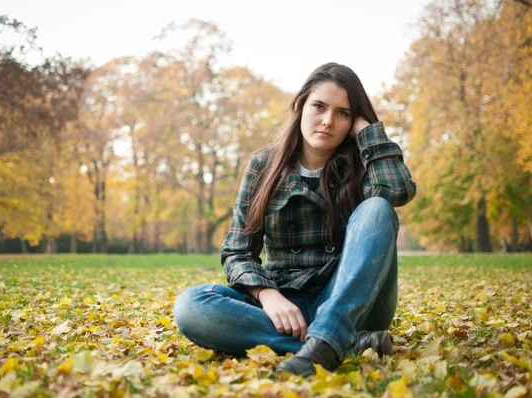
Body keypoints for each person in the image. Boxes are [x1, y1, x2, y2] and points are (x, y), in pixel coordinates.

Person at [173, 62, 417, 376]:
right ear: (301, 106)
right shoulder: (263, 165)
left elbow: (397, 191)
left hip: (352, 302)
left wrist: (369, 133)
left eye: (343, 113)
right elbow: (237, 251)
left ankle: (332, 333)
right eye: (319, 106)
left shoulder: (362, 165)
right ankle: (344, 344)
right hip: (285, 305)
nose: (328, 121)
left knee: (378, 208)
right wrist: (268, 295)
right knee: (192, 305)